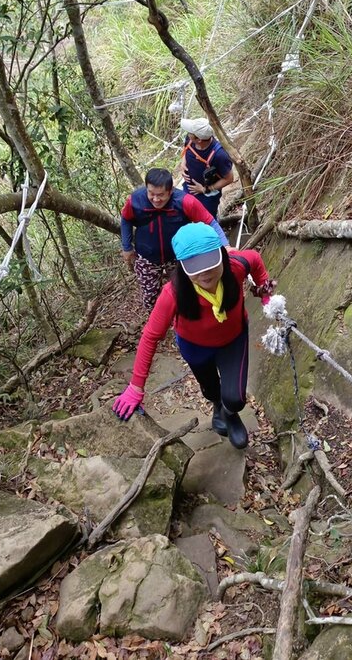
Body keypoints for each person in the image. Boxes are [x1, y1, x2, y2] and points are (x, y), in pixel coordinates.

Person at [113, 222, 276, 449]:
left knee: (236, 398)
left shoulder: (237, 265)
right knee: (210, 388)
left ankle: (230, 413)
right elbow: (150, 336)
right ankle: (218, 408)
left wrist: (265, 293)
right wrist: (136, 386)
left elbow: (256, 261)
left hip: (234, 340)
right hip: (194, 347)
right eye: (194, 265)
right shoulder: (173, 293)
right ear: (181, 265)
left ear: (221, 253)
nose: (204, 272)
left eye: (209, 262)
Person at [121, 168, 229, 312]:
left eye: (160, 195)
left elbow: (210, 222)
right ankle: (158, 320)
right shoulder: (135, 200)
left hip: (177, 256)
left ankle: (186, 317)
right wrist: (127, 247)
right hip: (146, 256)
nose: (155, 199)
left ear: (170, 191)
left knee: (184, 289)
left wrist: (226, 246)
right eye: (151, 193)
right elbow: (126, 219)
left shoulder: (185, 202)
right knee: (150, 295)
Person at [180, 117, 234, 217]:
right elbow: (187, 148)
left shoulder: (220, 155)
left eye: (190, 132)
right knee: (186, 215)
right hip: (188, 188)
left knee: (206, 220)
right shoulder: (190, 139)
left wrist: (205, 189)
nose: (188, 133)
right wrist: (183, 162)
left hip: (207, 197)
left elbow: (229, 178)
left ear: (199, 139)